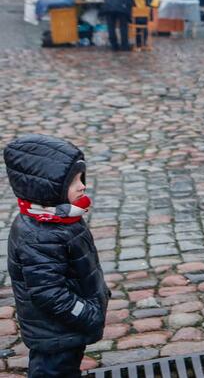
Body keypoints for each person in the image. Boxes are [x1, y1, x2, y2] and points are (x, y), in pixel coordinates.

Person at [4, 134, 108, 378]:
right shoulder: (40, 235)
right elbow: (48, 293)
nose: (82, 186)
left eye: (82, 178)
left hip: (63, 328)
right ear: (49, 189)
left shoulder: (60, 219)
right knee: (53, 371)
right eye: (74, 182)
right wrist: (85, 313)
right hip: (56, 331)